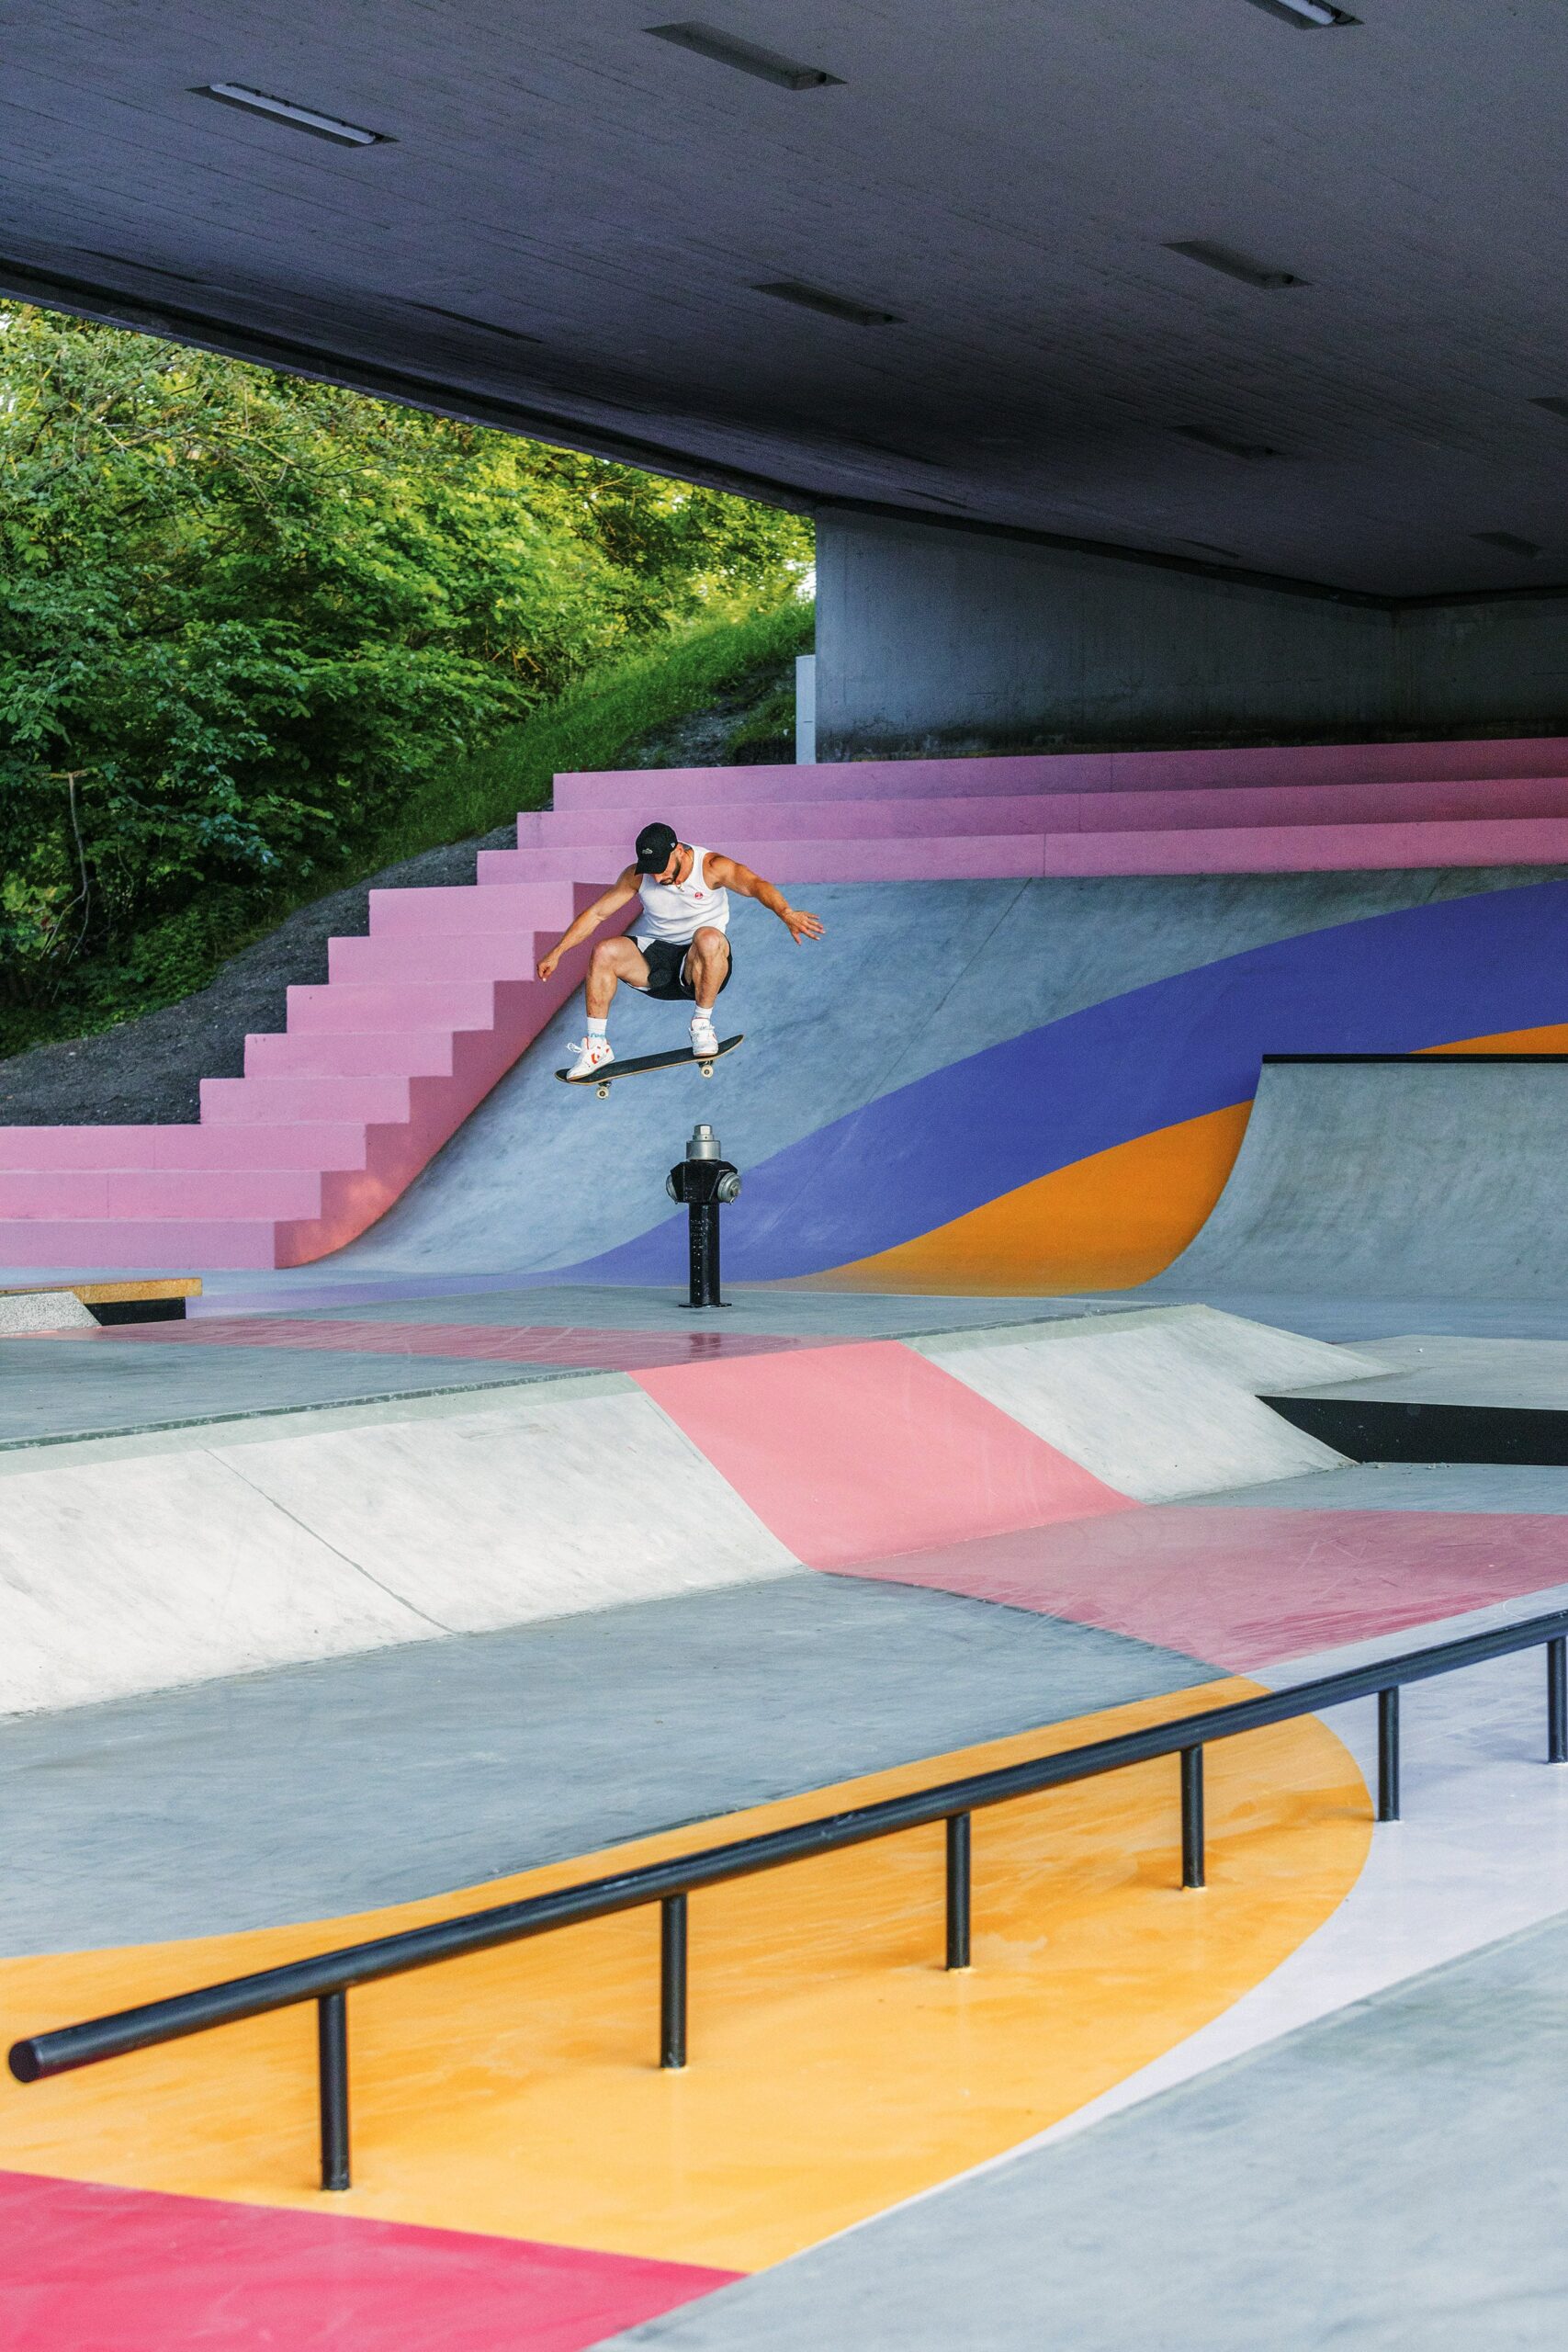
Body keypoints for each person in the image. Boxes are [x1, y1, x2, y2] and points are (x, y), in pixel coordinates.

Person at [536, 820, 824, 1078]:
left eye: (662, 869)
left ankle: (702, 1025)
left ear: (680, 852)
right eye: (652, 872)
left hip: (701, 967)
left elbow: (755, 885)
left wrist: (786, 913)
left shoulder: (711, 866)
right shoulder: (637, 876)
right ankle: (597, 1047)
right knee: (604, 951)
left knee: (708, 937)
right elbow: (597, 914)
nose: (658, 879)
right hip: (658, 964)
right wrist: (558, 951)